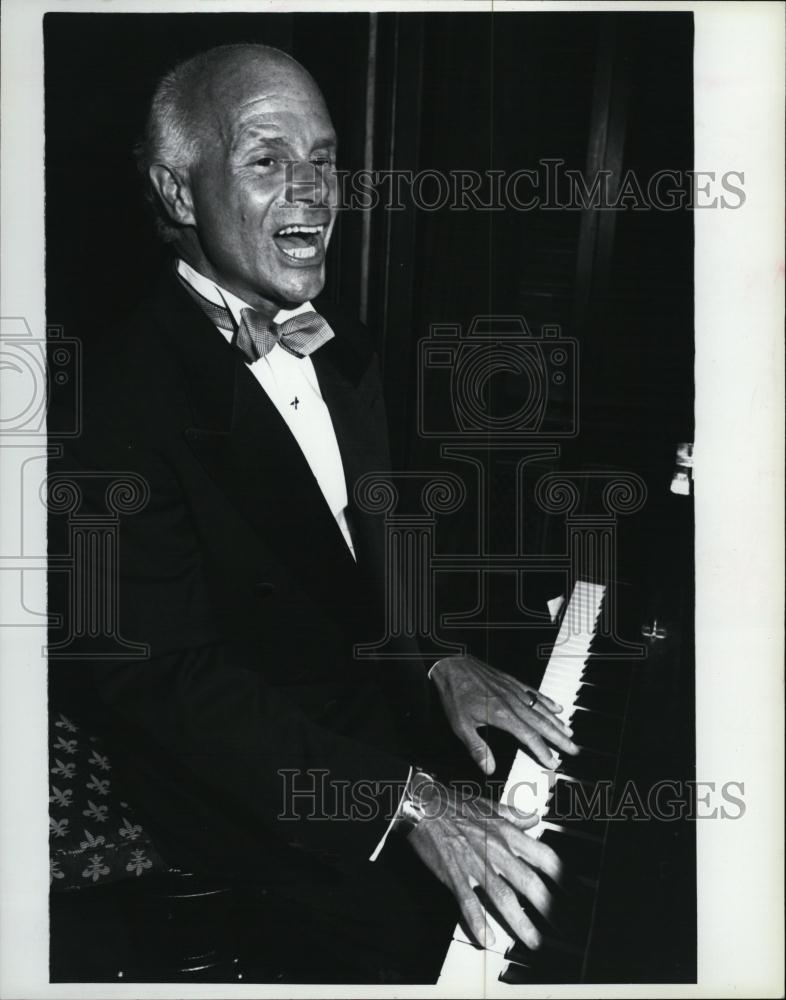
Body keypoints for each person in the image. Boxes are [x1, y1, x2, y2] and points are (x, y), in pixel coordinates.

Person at [52, 43, 578, 983]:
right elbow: (160, 682)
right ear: (178, 193)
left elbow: (358, 560)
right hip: (252, 796)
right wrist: (402, 803)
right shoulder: (112, 400)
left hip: (375, 716)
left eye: (324, 159)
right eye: (267, 159)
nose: (313, 190)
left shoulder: (344, 342)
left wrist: (434, 654)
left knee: (579, 825)